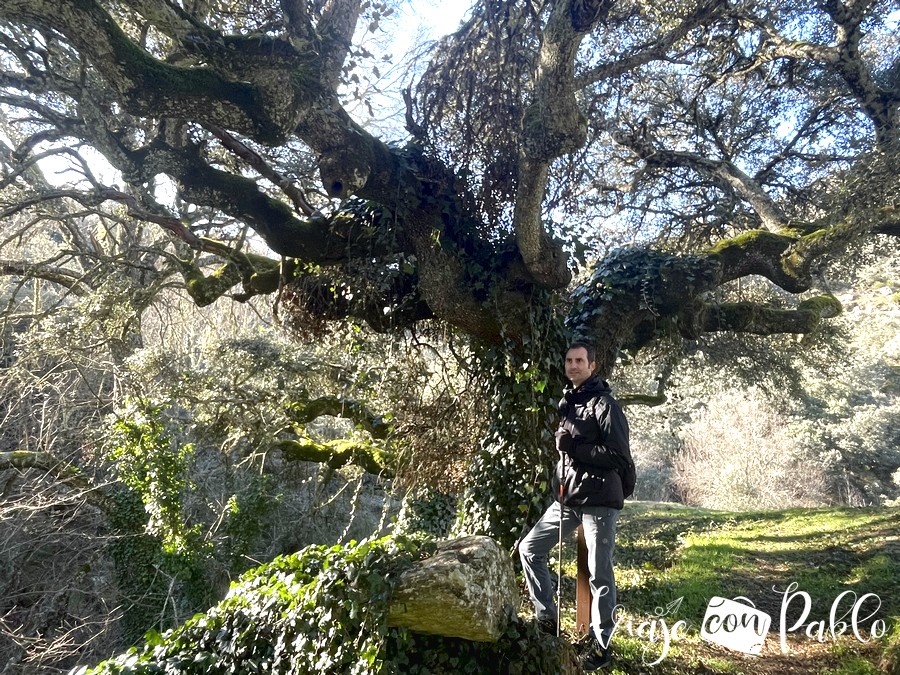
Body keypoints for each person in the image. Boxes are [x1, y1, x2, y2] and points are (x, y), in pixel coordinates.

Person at [518, 341, 634, 671]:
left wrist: (575, 447)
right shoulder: (568, 401)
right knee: (529, 549)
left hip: (599, 500)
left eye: (579, 361)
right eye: (569, 360)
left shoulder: (605, 404)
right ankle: (546, 620)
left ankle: (602, 644)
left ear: (592, 366)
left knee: (599, 574)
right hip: (568, 498)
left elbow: (619, 457)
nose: (573, 365)